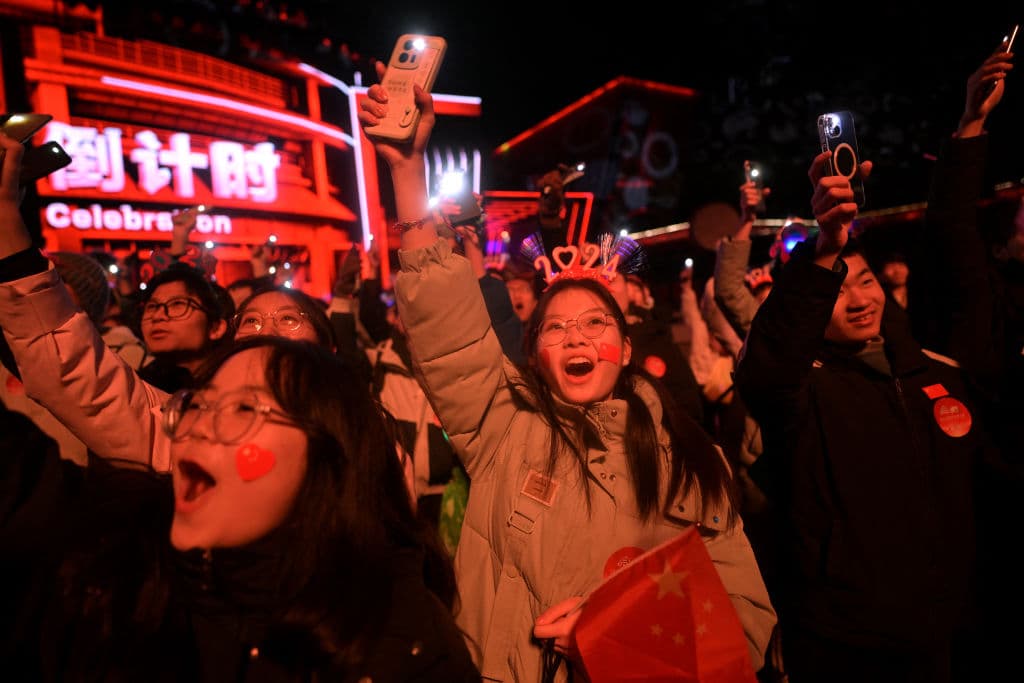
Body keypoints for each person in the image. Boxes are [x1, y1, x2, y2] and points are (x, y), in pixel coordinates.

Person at [359, 62, 776, 682]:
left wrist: (612, 633)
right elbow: (447, 329)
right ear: (536, 355)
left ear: (627, 347)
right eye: (555, 327)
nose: (576, 335)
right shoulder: (502, 430)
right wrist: (405, 170)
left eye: (595, 324)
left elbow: (746, 620)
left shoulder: (694, 458)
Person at [1, 334, 481, 681]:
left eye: (245, 409)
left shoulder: (405, 644)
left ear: (330, 455)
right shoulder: (127, 571)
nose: (199, 426)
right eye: (199, 404)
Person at [735, 122, 999, 680]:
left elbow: (958, 254)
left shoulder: (933, 372)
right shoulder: (802, 390)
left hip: (951, 629)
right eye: (839, 287)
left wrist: (970, 128)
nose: (858, 300)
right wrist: (827, 246)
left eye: (866, 281)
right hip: (846, 640)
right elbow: (765, 371)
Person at [137, 262, 235, 393]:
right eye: (152, 306)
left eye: (177, 304)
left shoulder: (241, 383)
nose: (157, 316)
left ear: (215, 328)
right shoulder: (135, 389)